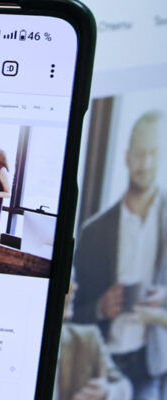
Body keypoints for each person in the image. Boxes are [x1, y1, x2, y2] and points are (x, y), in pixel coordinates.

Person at [72, 111, 167, 400]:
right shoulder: (93, 232)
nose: (145, 163)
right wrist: (100, 308)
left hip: (149, 367)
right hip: (98, 366)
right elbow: (71, 314)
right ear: (126, 157)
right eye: (139, 153)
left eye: (154, 154)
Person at [56, 271, 132, 400]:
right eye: (64, 279)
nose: (73, 287)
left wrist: (106, 392)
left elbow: (123, 388)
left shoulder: (87, 338)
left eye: (72, 279)